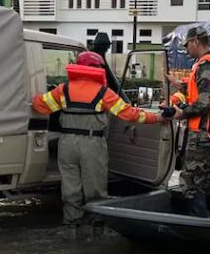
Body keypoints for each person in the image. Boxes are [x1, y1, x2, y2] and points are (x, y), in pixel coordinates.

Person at [32, 51, 161, 236]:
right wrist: (156, 117)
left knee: (70, 187)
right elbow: (129, 114)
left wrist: (34, 95)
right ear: (97, 69)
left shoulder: (63, 89)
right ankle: (97, 228)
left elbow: (40, 106)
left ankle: (71, 227)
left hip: (66, 144)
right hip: (92, 143)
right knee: (95, 187)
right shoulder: (103, 93)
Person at [168, 26, 210, 217]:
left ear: (196, 42)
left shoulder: (205, 65)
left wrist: (181, 112)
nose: (186, 49)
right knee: (208, 180)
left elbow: (205, 102)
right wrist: (179, 85)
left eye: (187, 45)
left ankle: (198, 224)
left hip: (205, 132)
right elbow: (208, 90)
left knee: (190, 180)